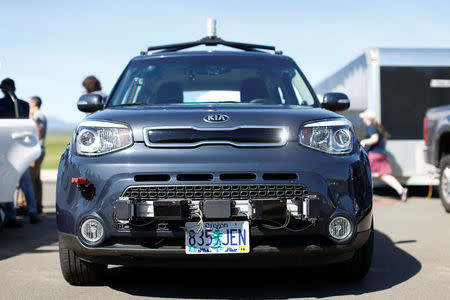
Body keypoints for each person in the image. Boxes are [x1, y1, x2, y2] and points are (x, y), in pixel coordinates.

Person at [0, 78, 40, 227]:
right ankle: (33, 212)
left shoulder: (1, 104)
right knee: (26, 182)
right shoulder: (22, 104)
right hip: (21, 148)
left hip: (5, 150)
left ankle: (10, 215)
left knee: (6, 183)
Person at [359, 109, 408, 202]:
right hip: (381, 155)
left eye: (364, 118)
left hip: (373, 155)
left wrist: (364, 141)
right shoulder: (377, 126)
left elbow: (375, 139)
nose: (363, 120)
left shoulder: (371, 126)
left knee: (366, 175)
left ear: (367, 118)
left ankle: (365, 197)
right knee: (384, 175)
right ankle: (401, 190)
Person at [28, 96, 47, 214]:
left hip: (36, 151)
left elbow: (39, 131)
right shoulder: (40, 115)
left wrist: (31, 119)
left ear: (34, 103)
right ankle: (38, 204)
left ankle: (29, 205)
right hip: (39, 150)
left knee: (29, 180)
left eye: (29, 102)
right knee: (36, 179)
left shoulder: (38, 116)